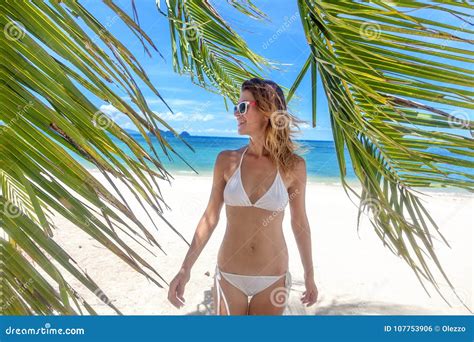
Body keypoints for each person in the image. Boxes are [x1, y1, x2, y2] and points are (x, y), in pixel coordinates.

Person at [168, 78, 318, 315]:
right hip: (229, 276)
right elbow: (210, 217)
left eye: (242, 107)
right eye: (236, 107)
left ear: (267, 110)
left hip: (273, 277)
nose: (236, 114)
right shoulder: (226, 161)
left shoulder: (293, 166)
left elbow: (299, 222)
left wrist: (309, 275)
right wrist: (185, 269)